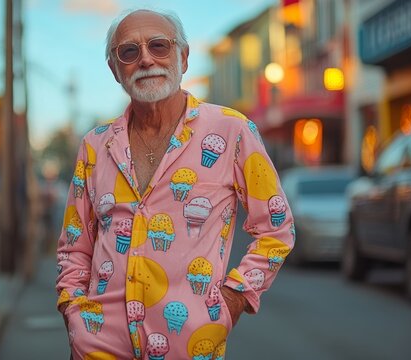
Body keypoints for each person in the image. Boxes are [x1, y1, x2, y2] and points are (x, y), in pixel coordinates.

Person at [56, 8, 295, 359]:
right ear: (114, 68)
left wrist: (232, 301)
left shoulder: (232, 131)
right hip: (98, 346)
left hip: (190, 347)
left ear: (183, 57)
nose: (146, 59)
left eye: (159, 46)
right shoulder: (95, 145)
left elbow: (277, 229)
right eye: (129, 51)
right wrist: (73, 311)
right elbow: (74, 245)